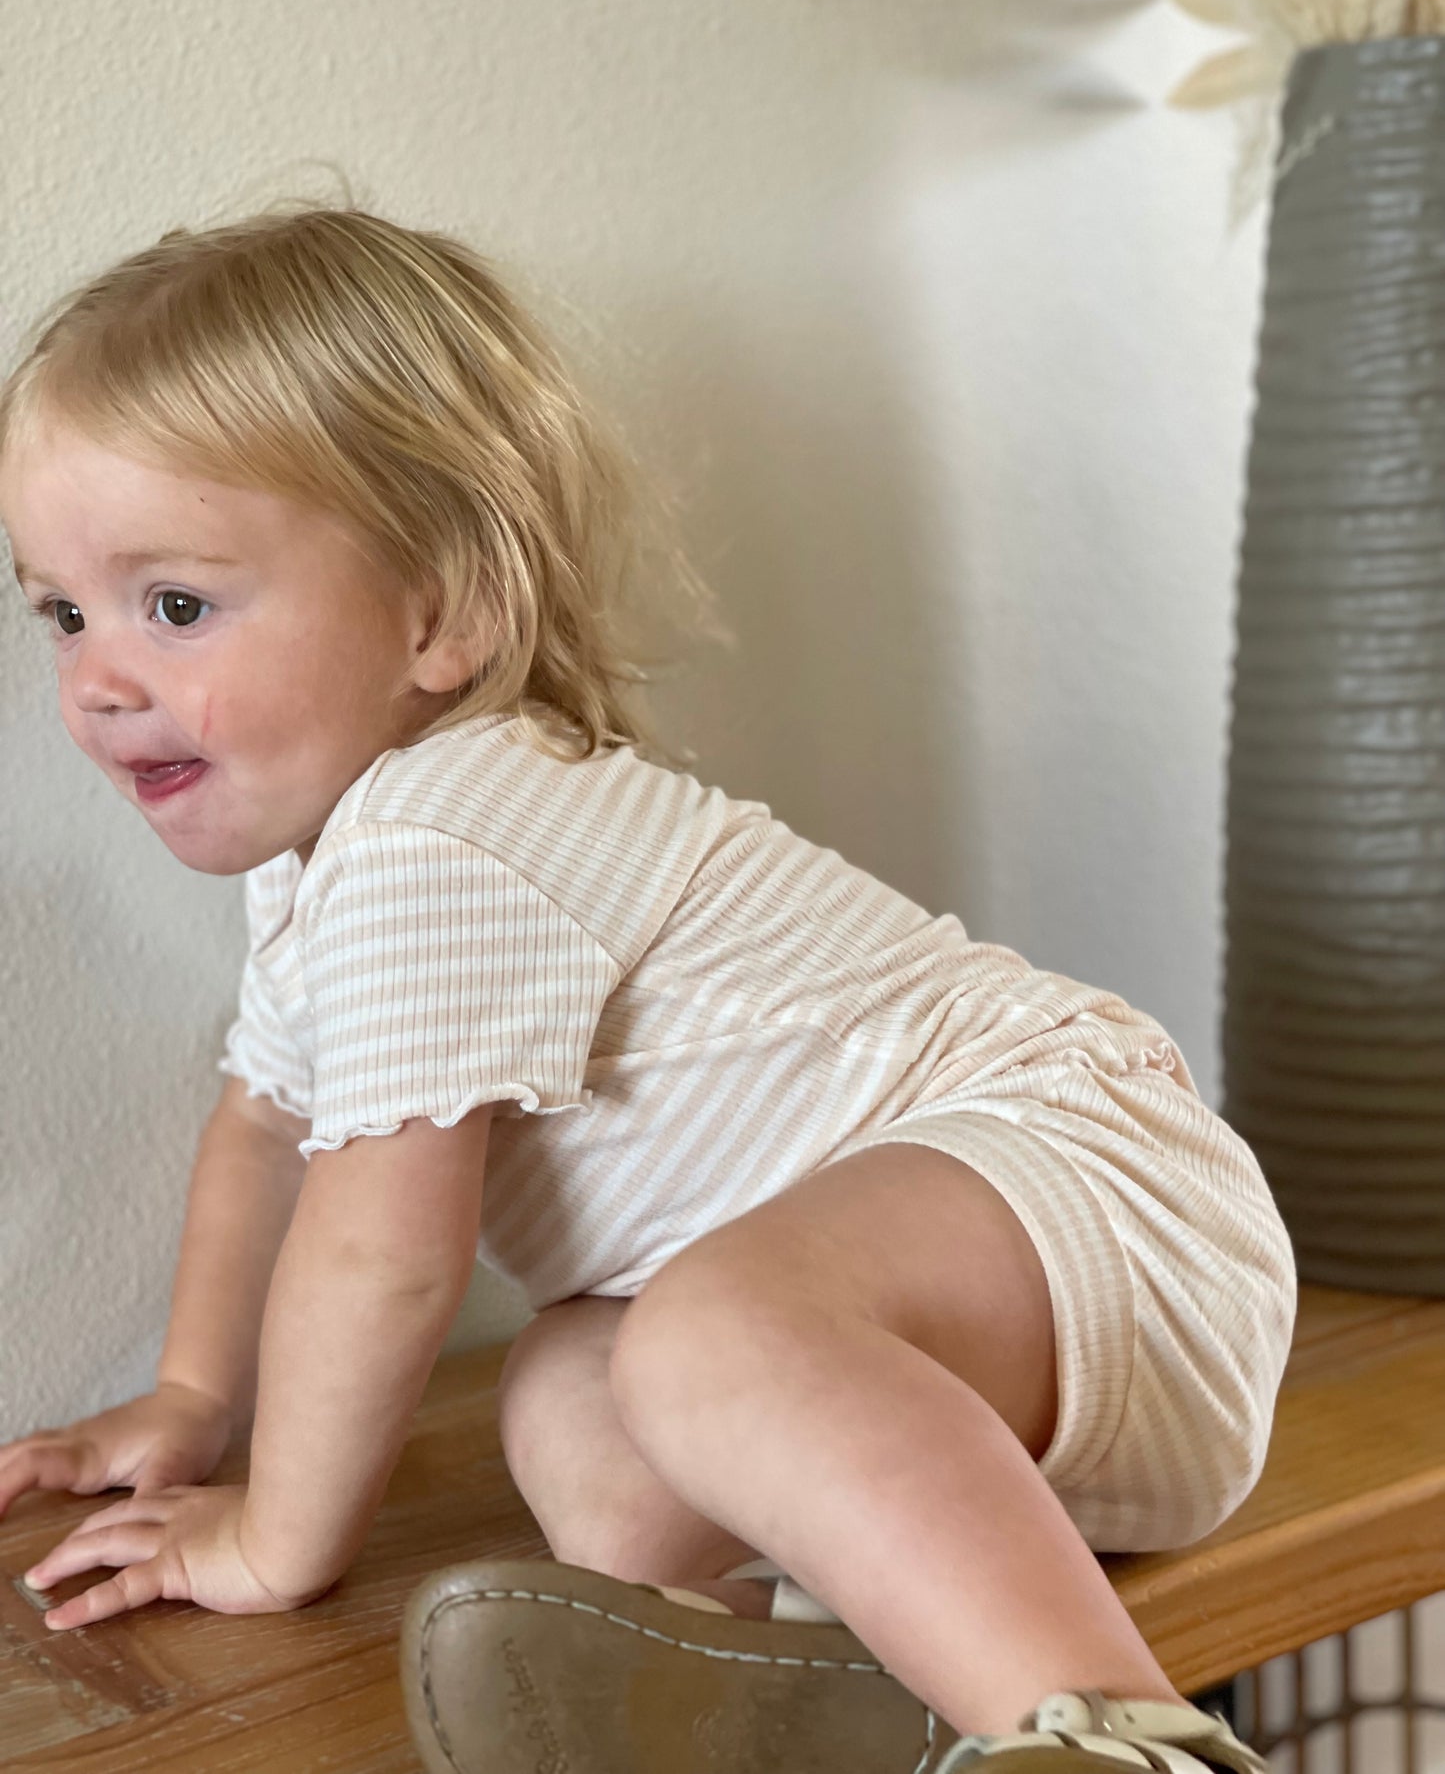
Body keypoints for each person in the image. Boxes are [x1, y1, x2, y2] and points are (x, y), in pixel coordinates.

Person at [0, 204, 1291, 1773]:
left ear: (440, 617)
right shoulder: (326, 867)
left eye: (175, 606)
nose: (99, 677)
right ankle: (816, 1684)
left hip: (1085, 1190)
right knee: (580, 1414)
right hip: (952, 1366)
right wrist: (195, 1397)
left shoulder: (440, 831)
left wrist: (275, 1535)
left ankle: (1114, 1744)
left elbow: (384, 1247)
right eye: (60, 611)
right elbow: (267, 1123)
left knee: (697, 1339)